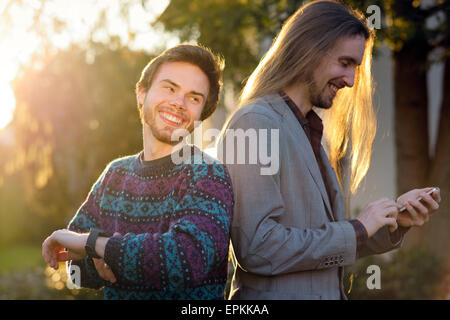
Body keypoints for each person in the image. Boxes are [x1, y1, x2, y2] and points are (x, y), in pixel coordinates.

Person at [217, 0, 441, 300]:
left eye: (354, 68)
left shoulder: (310, 131)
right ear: (308, 50)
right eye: (345, 63)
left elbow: (325, 244)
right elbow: (258, 247)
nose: (350, 81)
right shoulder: (255, 123)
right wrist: (359, 227)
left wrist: (392, 222)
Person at [42, 44, 234, 300]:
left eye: (194, 98)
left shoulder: (209, 175)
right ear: (142, 93)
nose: (179, 103)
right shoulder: (114, 175)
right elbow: (75, 268)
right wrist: (102, 260)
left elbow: (186, 260)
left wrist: (97, 246)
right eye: (170, 88)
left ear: (201, 113)